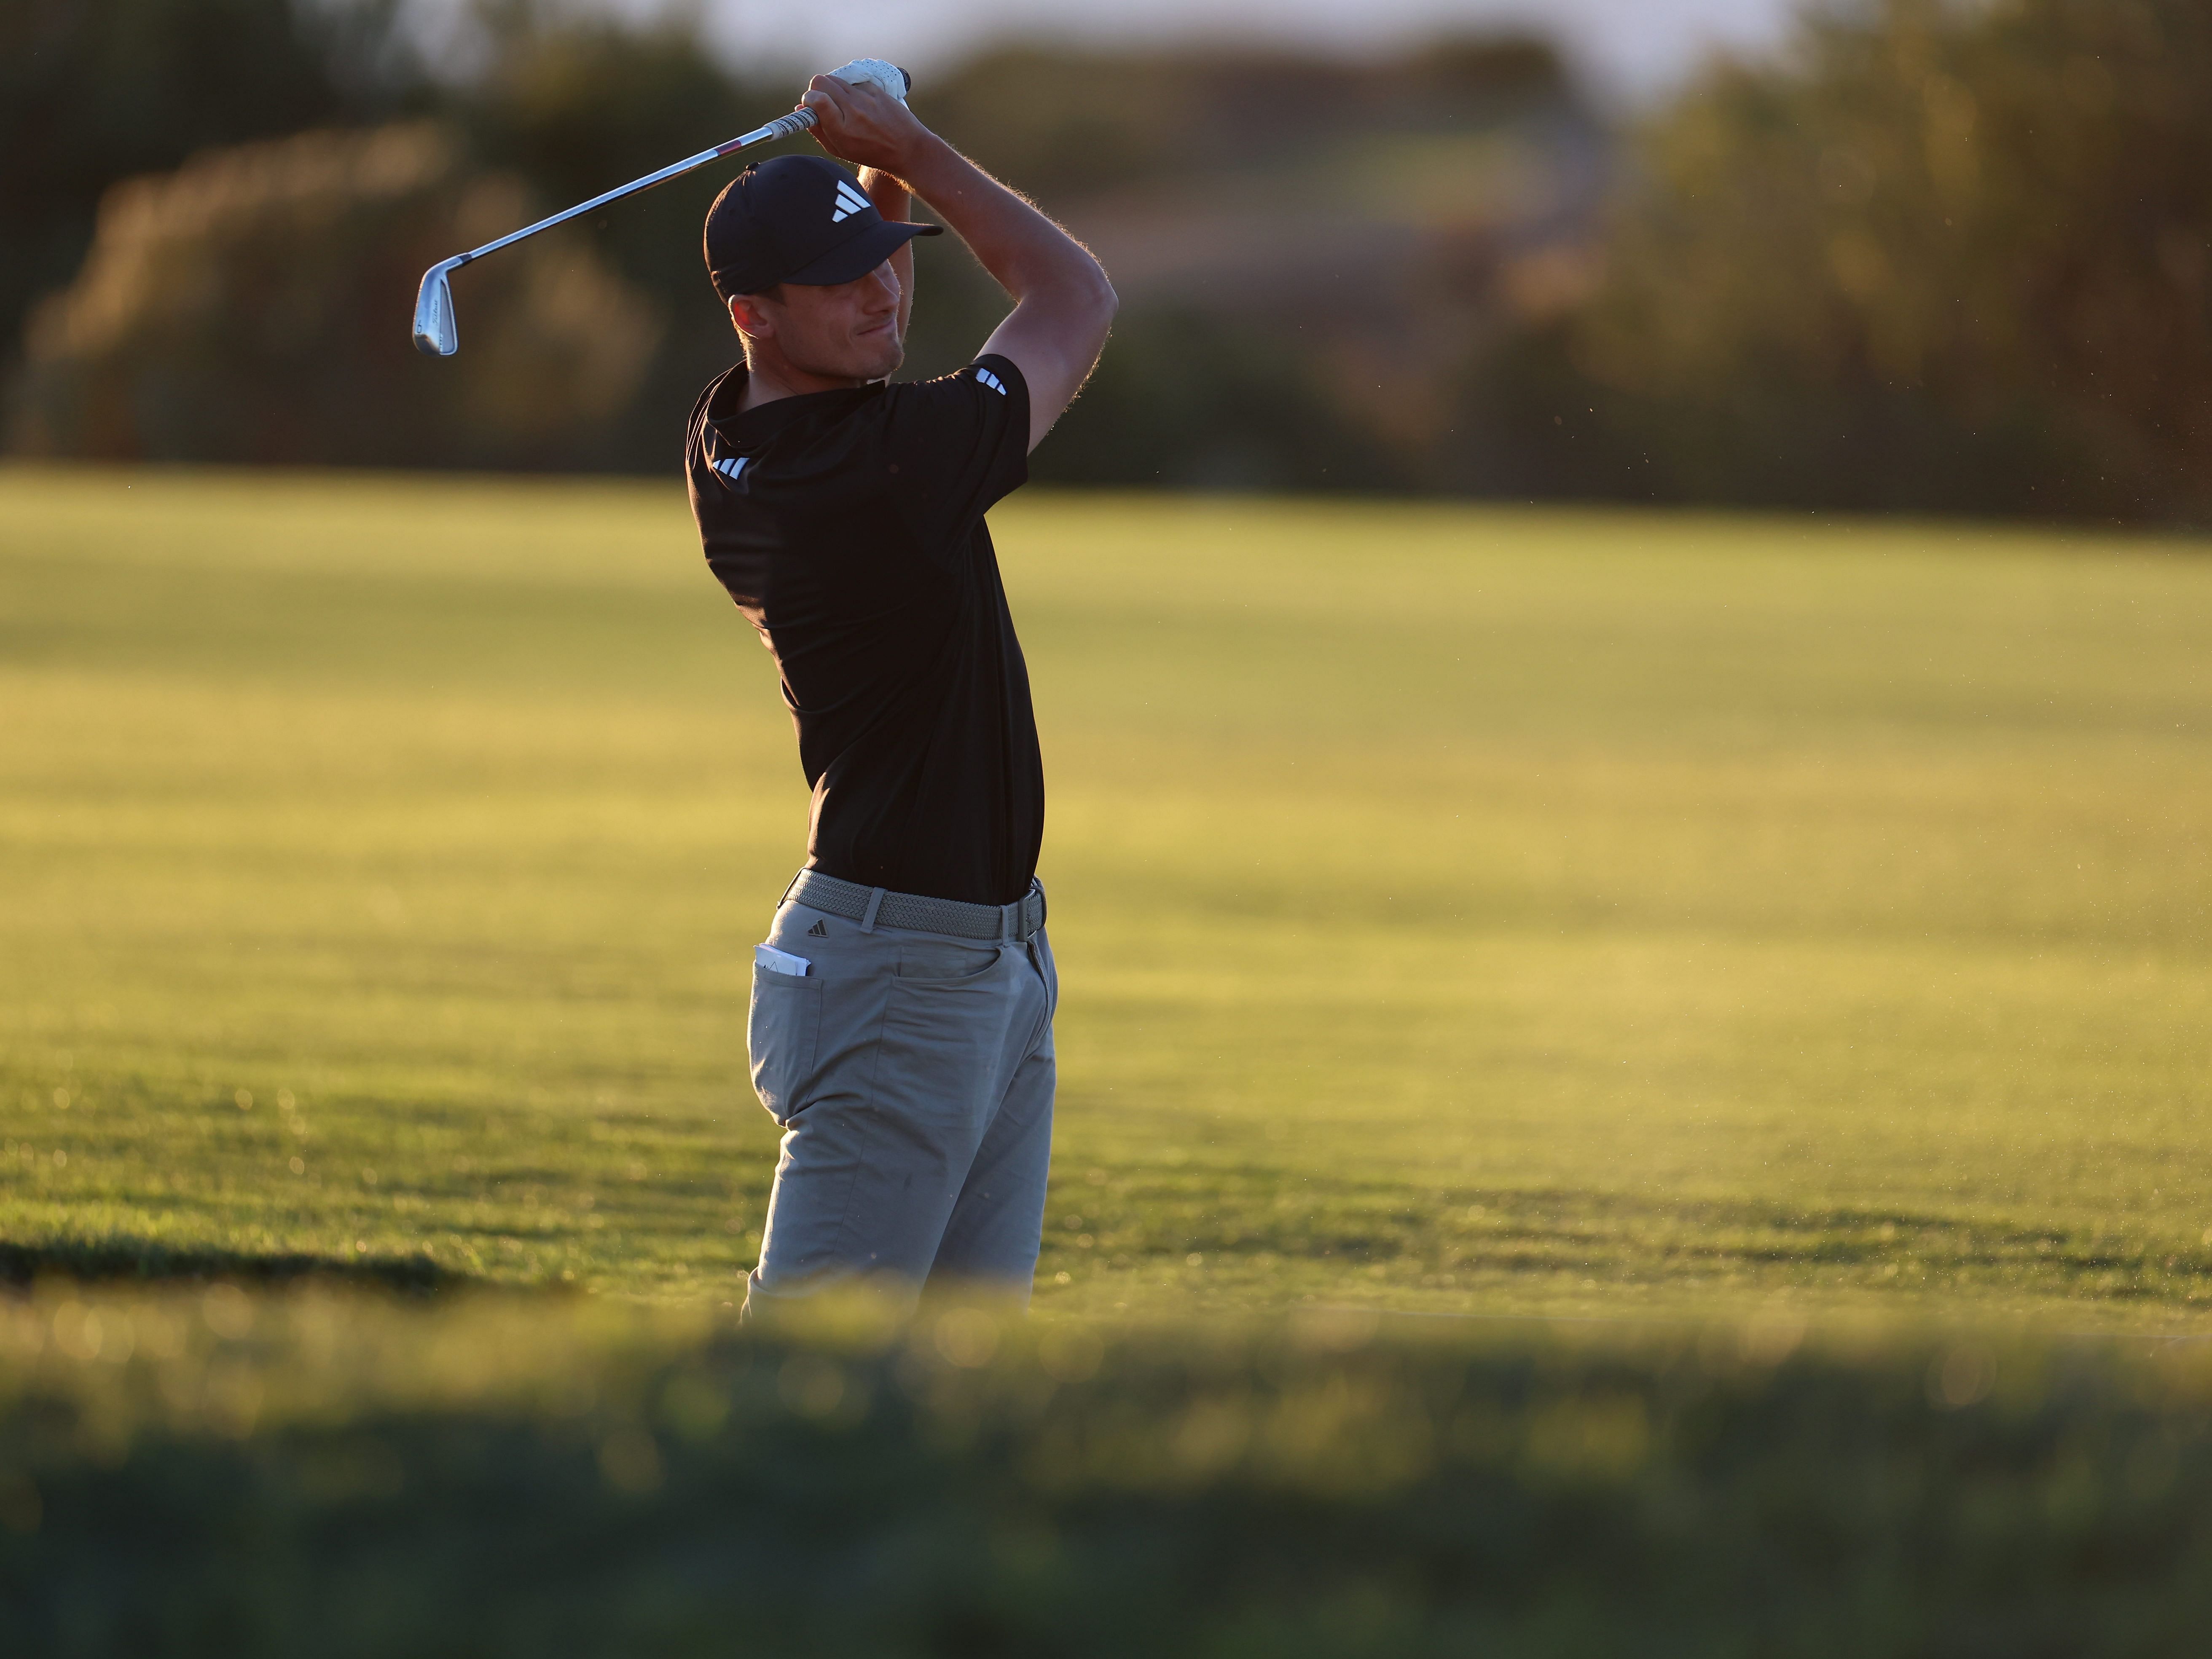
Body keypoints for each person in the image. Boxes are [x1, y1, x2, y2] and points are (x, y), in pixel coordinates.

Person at [683, 72, 1117, 1315]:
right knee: (811, 1405)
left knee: (954, 1400)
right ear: (756, 315)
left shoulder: (738, 432)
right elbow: (1076, 296)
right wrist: (908, 145)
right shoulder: (880, 475)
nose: (884, 293)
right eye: (846, 280)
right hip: (901, 982)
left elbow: (871, 342)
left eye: (888, 262)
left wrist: (867, 190)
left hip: (974, 960)